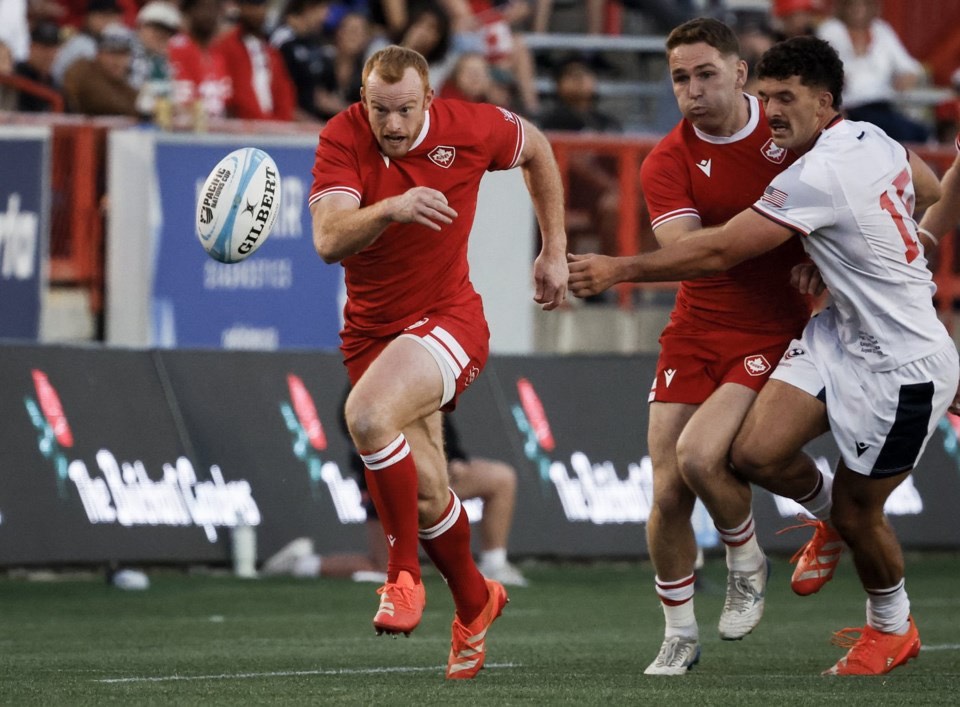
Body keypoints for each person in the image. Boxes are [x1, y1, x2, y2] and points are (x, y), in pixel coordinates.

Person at [569, 35, 956, 677]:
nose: (772, 111)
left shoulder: (814, 173)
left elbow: (720, 253)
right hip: (835, 333)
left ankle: (893, 627)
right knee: (752, 453)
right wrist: (852, 253)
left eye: (786, 98)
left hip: (902, 361)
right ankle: (823, 524)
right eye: (766, 97)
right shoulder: (872, 139)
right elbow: (928, 187)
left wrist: (617, 268)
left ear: (824, 102)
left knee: (863, 511)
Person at [308, 45, 567, 679]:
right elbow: (327, 240)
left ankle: (401, 576)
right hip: (371, 335)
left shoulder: (472, 127)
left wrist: (553, 249)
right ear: (363, 101)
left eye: (403, 110)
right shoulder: (342, 138)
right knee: (427, 495)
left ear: (429, 100)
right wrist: (392, 207)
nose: (391, 125)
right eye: (378, 110)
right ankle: (476, 601)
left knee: (367, 416)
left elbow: (537, 149)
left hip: (450, 320)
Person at [566, 17, 812, 676]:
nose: (694, 89)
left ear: (740, 72)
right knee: (668, 489)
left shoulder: (789, 129)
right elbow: (689, 255)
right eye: (681, 78)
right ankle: (678, 631)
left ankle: (747, 557)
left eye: (706, 74)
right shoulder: (668, 160)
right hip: (696, 327)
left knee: (704, 458)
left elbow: (859, 185)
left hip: (772, 326)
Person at [263, 413, 530, 587]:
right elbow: (360, 433)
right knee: (385, 570)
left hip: (433, 476)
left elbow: (440, 420)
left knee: (500, 478)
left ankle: (494, 564)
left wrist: (455, 459)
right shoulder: (369, 379)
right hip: (390, 483)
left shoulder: (424, 369)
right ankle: (302, 564)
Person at [816, 0, 929, 143]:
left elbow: (910, 66)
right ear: (843, 7)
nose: (858, 9)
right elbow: (824, 69)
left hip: (882, 104)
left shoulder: (881, 30)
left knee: (921, 132)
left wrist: (907, 76)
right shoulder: (831, 30)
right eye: (852, 5)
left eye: (863, 4)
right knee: (902, 133)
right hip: (850, 107)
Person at [213, 0, 296, 121]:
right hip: (241, 129)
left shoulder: (271, 51)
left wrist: (280, 124)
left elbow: (284, 93)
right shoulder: (226, 47)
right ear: (241, 7)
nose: (257, 12)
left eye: (261, 6)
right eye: (252, 6)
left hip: (274, 131)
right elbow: (232, 94)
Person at [168, 0, 232, 127]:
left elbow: (225, 103)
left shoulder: (218, 54)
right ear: (187, 12)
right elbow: (182, 103)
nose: (208, 14)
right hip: (185, 133)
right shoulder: (178, 47)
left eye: (213, 8)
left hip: (216, 132)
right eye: (202, 8)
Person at [62, 22, 139, 116]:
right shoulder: (83, 70)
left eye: (123, 54)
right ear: (98, 54)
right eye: (111, 53)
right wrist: (143, 111)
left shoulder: (118, 80)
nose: (117, 61)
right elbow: (105, 103)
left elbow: (137, 101)